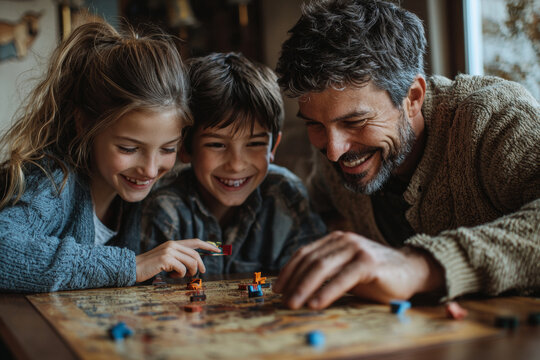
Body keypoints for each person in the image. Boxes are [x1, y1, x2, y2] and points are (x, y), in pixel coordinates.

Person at [272, 0, 540, 309]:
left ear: (412, 98)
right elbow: (319, 207)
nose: (333, 152)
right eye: (315, 125)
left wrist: (418, 265)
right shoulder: (333, 149)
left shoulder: (494, 117)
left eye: (355, 122)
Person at [0, 22, 221, 293]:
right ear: (84, 124)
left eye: (168, 149)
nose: (150, 170)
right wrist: (132, 266)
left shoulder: (139, 196)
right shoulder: (54, 181)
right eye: (129, 149)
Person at [141, 52, 327, 274]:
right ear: (185, 147)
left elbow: (317, 274)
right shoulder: (162, 204)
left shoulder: (285, 196)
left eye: (255, 144)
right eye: (217, 145)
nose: (237, 165)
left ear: (273, 148)